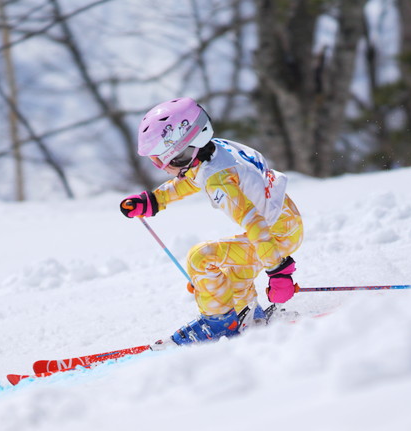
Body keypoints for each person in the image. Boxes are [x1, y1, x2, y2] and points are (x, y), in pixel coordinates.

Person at [119, 98, 303, 347]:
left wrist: (279, 272)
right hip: (284, 221)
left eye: (160, 159)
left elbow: (256, 226)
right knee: (233, 276)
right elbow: (193, 179)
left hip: (276, 235)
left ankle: (217, 325)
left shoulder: (220, 181)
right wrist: (155, 199)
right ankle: (251, 319)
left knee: (201, 257)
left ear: (182, 153)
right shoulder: (214, 151)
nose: (160, 167)